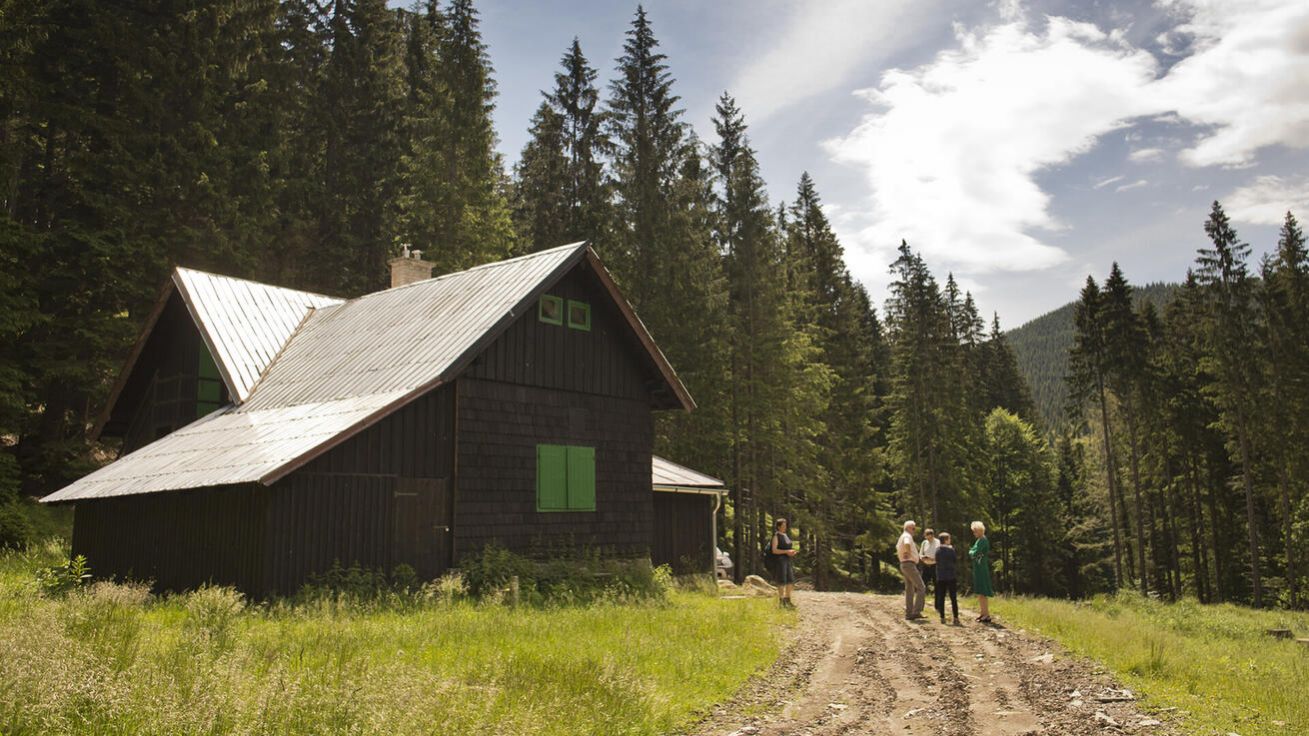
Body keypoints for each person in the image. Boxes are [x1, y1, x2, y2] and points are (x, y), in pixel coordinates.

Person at [897, 520, 926, 620]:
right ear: (908, 528)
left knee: (909, 589)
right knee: (921, 587)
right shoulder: (907, 536)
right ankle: (916, 611)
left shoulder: (902, 536)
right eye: (913, 528)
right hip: (909, 564)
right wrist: (908, 552)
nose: (914, 530)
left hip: (904, 564)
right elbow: (907, 543)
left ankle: (909, 613)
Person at [969, 521, 994, 623]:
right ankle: (983, 613)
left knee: (983, 592)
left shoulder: (983, 540)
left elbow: (974, 552)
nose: (974, 533)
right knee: (980, 592)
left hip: (982, 568)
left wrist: (972, 552)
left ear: (980, 530)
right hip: (978, 568)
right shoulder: (979, 540)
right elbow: (972, 551)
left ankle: (986, 615)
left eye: (975, 531)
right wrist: (972, 552)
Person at [934, 532, 960, 624]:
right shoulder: (951, 550)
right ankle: (955, 617)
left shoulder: (937, 550)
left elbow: (936, 561)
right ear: (946, 540)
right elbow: (955, 560)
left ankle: (942, 617)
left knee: (941, 597)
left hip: (941, 576)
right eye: (949, 539)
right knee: (953, 598)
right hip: (951, 576)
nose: (950, 540)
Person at [772, 518, 798, 607]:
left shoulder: (786, 535)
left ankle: (787, 599)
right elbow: (774, 550)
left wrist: (792, 552)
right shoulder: (776, 536)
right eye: (783, 525)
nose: (785, 527)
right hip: (780, 560)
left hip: (788, 560)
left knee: (790, 580)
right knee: (781, 580)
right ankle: (781, 601)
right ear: (778, 527)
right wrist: (787, 551)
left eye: (785, 525)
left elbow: (787, 548)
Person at [919, 528, 939, 593]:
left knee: (936, 583)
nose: (928, 539)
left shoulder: (938, 542)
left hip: (935, 565)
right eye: (926, 537)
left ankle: (938, 597)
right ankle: (922, 596)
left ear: (932, 535)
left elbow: (940, 554)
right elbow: (920, 554)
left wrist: (932, 559)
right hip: (926, 565)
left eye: (929, 538)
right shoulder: (924, 543)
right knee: (923, 582)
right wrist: (922, 557)